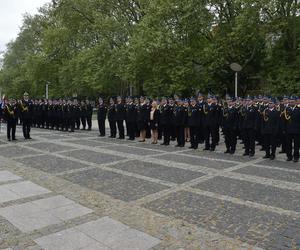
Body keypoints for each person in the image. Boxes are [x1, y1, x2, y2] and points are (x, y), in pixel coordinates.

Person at [284, 97, 300, 162]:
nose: (291, 103)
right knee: (288, 144)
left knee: (296, 145)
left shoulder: (298, 109)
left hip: (297, 130)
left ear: (295, 102)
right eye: (290, 102)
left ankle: (296, 157)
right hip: (288, 129)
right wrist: (284, 129)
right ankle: (289, 156)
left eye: (292, 102)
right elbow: (284, 121)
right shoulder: (287, 109)